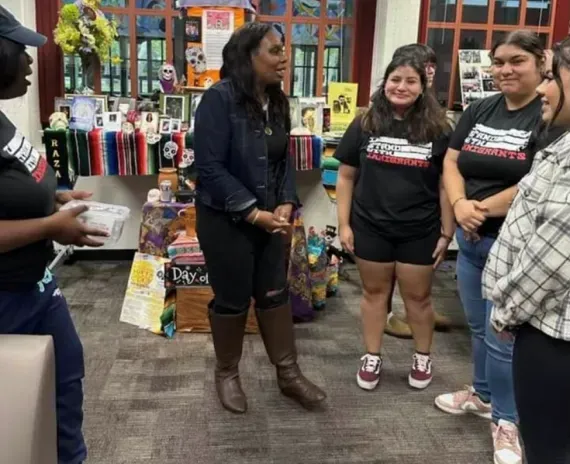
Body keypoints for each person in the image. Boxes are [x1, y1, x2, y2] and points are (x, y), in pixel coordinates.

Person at [193, 22, 326, 414]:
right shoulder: (218, 100)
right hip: (226, 221)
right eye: (274, 51)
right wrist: (252, 212)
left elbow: (284, 159)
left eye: (284, 50)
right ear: (248, 57)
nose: (284, 58)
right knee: (232, 299)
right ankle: (227, 373)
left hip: (271, 218)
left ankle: (288, 374)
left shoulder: (277, 101)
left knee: (273, 292)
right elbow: (210, 168)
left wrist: (286, 201)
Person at [0, 5, 108, 463]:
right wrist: (50, 226)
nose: (29, 61)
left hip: (38, 286)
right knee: (14, 417)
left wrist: (56, 201)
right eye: (20, 50)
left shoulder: (3, 121)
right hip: (5, 299)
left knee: (64, 385)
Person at [436, 30, 547, 464]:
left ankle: (507, 420)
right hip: (471, 238)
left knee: (504, 338)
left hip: (513, 240)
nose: (504, 70)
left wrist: (477, 209)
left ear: (541, 63)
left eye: (516, 61)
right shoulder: (482, 107)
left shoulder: (548, 113)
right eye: (498, 62)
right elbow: (451, 159)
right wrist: (461, 206)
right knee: (479, 327)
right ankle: (483, 397)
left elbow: (537, 180)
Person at [335, 54, 454, 392]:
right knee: (374, 293)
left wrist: (447, 232)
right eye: (395, 79)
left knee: (418, 298)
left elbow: (446, 184)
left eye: (410, 81)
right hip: (370, 226)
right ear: (384, 82)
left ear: (422, 87)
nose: (401, 87)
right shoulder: (365, 123)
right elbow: (345, 177)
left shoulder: (440, 128)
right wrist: (344, 224)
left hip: (420, 229)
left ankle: (422, 355)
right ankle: (372, 356)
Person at [484, 37, 570, 464]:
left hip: (552, 332)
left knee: (547, 449)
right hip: (546, 324)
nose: (542, 89)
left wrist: (506, 310)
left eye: (552, 76)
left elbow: (554, 257)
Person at [383, 43, 453, 339]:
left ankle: (419, 307)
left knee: (422, 265)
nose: (429, 73)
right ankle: (387, 315)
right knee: (381, 271)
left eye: (429, 69)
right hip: (383, 207)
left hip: (422, 207)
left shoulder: (431, 107)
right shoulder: (383, 109)